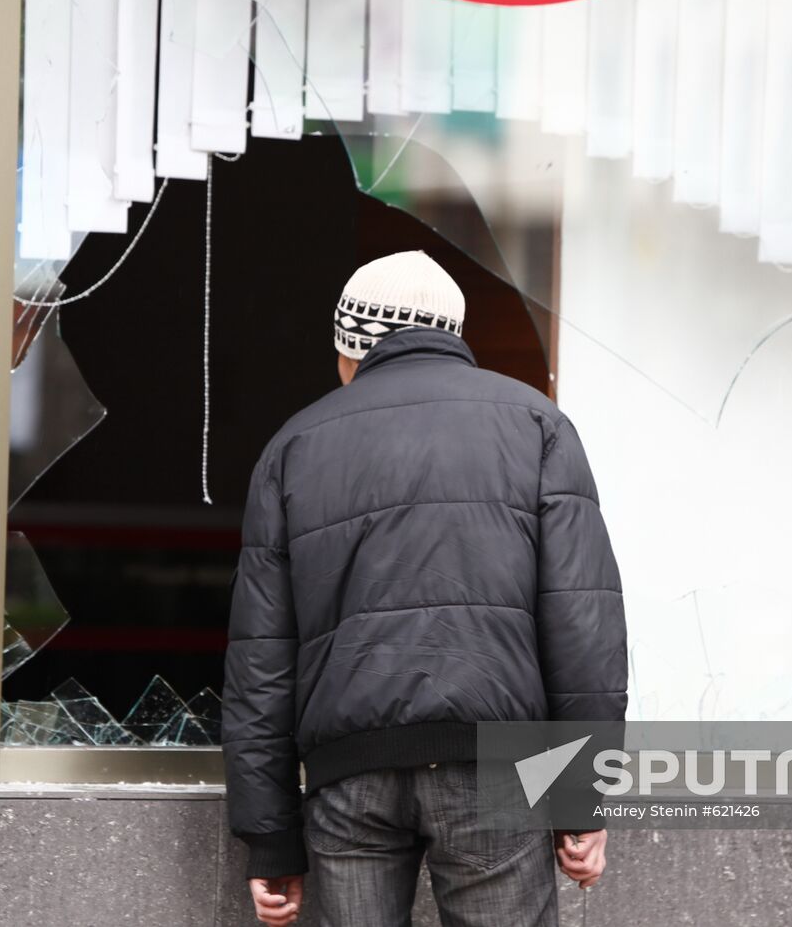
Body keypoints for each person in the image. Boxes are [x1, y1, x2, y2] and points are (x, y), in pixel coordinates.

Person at [223, 251, 628, 926]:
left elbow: (261, 658)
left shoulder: (294, 445)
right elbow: (583, 625)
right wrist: (579, 795)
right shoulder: (537, 425)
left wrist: (271, 837)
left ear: (351, 349)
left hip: (348, 774)